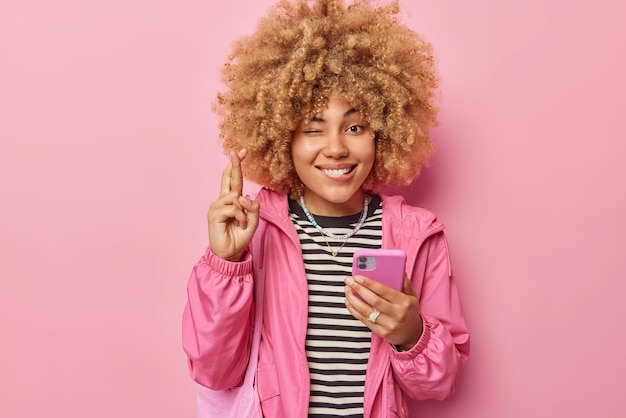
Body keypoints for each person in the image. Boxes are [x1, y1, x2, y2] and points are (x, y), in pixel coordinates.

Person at [182, 0, 470, 416]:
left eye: (355, 127)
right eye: (313, 129)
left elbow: (438, 386)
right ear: (282, 137)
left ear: (384, 131)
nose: (336, 148)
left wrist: (412, 334)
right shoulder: (255, 228)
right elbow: (213, 371)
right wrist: (226, 263)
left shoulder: (417, 234)